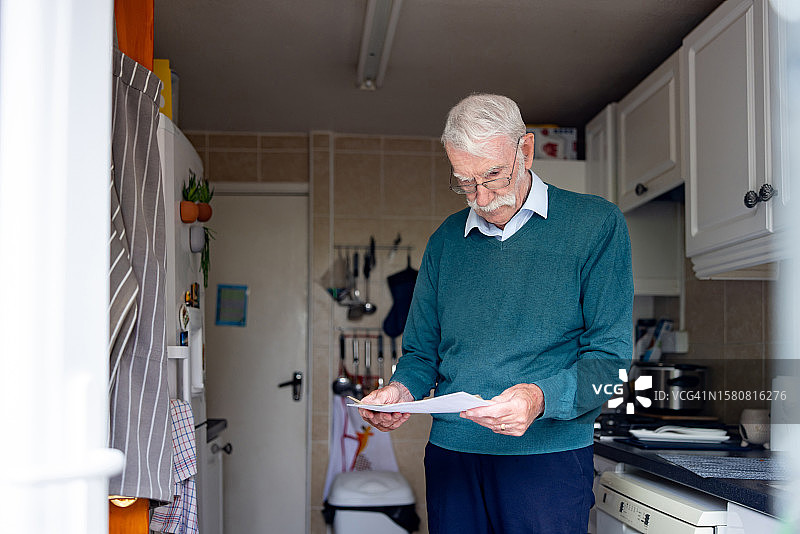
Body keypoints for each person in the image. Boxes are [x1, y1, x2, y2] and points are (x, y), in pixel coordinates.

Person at [358, 93, 633, 534]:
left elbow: (612, 366)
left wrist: (538, 399)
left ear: (526, 150)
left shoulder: (596, 225)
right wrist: (401, 389)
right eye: (465, 183)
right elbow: (421, 353)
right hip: (453, 460)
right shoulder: (446, 241)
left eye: (493, 176)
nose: (482, 197)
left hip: (548, 462)